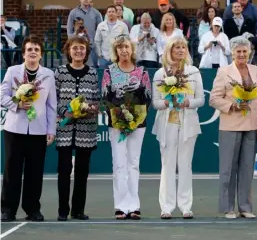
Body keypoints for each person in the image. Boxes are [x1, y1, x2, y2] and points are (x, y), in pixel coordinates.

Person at [1, 35, 57, 222]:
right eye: (29, 49)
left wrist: (51, 130)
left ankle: (32, 209)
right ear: (24, 53)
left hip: (38, 130)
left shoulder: (48, 74)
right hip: (14, 129)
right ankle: (8, 209)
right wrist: (16, 104)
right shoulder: (12, 71)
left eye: (36, 50)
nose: (33, 52)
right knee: (12, 170)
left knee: (35, 172)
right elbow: (2, 96)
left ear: (41, 55)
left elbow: (51, 105)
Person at [209, 36, 257, 219]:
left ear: (249, 52)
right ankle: (228, 208)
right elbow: (214, 98)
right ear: (232, 53)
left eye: (244, 51)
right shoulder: (223, 72)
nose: (241, 54)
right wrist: (232, 106)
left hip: (251, 125)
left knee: (247, 168)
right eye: (238, 51)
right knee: (228, 168)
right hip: (230, 125)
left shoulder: (256, 70)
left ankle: (245, 207)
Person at [152, 37, 205, 219]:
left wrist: (188, 102)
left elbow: (201, 99)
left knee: (185, 164)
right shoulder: (160, 73)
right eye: (177, 47)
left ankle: (185, 206)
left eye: (183, 47)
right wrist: (166, 102)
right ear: (169, 51)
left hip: (188, 123)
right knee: (167, 164)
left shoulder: (194, 72)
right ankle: (166, 207)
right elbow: (156, 102)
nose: (181, 50)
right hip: (167, 123)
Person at [101, 35, 152, 220]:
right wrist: (120, 121)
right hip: (116, 126)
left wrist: (134, 121)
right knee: (119, 165)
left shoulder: (142, 71)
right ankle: (121, 206)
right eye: (120, 47)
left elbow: (147, 98)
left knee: (133, 164)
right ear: (116, 51)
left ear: (132, 50)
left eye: (127, 47)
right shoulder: (109, 71)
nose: (124, 50)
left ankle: (134, 206)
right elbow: (106, 98)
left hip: (138, 126)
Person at [54, 36, 100, 221]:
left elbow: (97, 100)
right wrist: (65, 111)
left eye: (82, 48)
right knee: (64, 170)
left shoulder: (92, 73)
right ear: (69, 51)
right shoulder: (60, 72)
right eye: (75, 48)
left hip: (86, 130)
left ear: (86, 51)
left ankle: (78, 210)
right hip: (65, 129)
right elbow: (53, 99)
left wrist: (90, 109)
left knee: (82, 172)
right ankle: (63, 210)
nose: (78, 51)